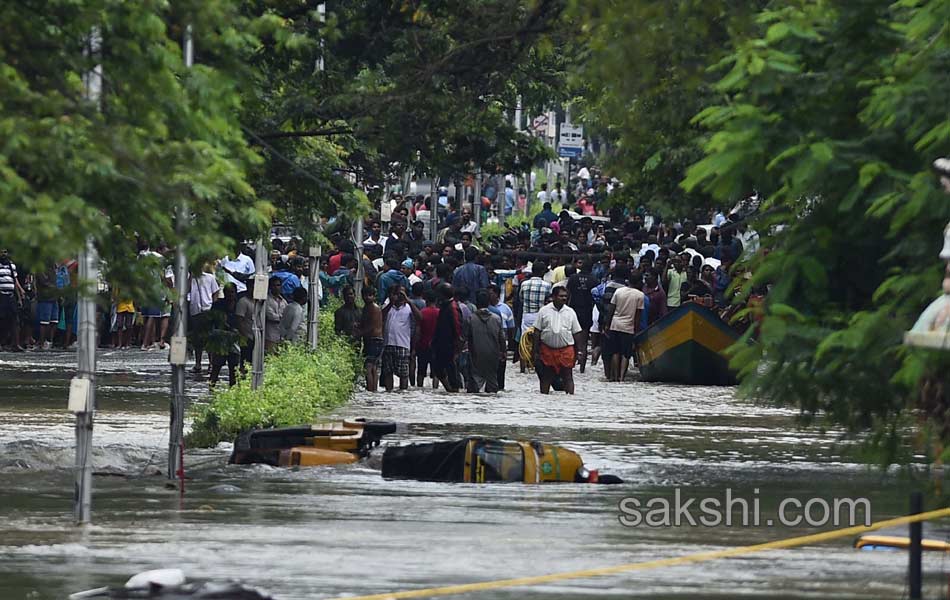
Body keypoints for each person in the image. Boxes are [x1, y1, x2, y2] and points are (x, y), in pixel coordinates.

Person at [532, 286, 581, 394]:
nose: (564, 298)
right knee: (546, 377)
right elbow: (537, 332)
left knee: (568, 376)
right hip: (547, 349)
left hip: (566, 350)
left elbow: (576, 333)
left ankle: (570, 399)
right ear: (553, 297)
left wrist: (579, 352)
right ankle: (544, 398)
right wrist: (535, 351)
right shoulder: (544, 311)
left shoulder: (570, 312)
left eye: (565, 296)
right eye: (561, 296)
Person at [605, 267, 645, 382]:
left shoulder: (619, 291)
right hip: (628, 327)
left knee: (615, 352)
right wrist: (636, 331)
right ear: (639, 282)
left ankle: (615, 376)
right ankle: (622, 378)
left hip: (615, 325)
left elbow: (611, 310)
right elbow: (638, 316)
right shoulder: (640, 295)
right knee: (626, 354)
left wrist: (607, 325)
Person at [381, 284, 421, 392]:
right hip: (388, 344)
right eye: (396, 294)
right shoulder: (387, 305)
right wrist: (391, 303)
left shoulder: (408, 308)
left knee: (403, 374)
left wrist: (408, 301)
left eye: (401, 294)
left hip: (402, 345)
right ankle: (389, 393)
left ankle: (403, 394)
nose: (399, 296)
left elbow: (420, 318)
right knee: (388, 372)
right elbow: (381, 316)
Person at [467, 289, 506, 393]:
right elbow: (502, 338)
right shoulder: (497, 318)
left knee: (475, 380)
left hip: (476, 354)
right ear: (489, 303)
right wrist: (503, 352)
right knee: (492, 381)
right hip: (493, 355)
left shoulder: (471, 318)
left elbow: (467, 338)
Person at [206, 284, 242, 388]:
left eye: (232, 292)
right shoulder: (218, 305)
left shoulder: (239, 305)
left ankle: (233, 387)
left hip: (235, 339)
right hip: (221, 339)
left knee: (233, 366)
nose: (230, 295)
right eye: (228, 292)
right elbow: (211, 320)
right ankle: (211, 386)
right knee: (216, 366)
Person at [566, 259, 597, 373]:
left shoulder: (573, 278)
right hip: (587, 312)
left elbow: (567, 295)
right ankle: (582, 369)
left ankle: (570, 364)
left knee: (571, 339)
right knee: (583, 342)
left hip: (573, 311)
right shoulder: (594, 280)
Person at [430, 283, 463, 392]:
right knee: (438, 368)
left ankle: (453, 389)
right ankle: (450, 389)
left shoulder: (452, 307)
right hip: (441, 343)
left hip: (449, 344)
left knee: (450, 368)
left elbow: (457, 326)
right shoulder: (445, 306)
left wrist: (457, 345)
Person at [486, 284, 514, 390]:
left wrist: (509, 347)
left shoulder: (505, 308)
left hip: (501, 342)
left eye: (491, 293)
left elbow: (511, 327)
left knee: (500, 372)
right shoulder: (483, 308)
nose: (489, 296)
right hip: (488, 342)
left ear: (497, 295)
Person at [360, 285, 383, 392]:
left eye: (370, 295)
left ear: (374, 296)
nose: (367, 297)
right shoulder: (367, 308)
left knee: (369, 367)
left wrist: (358, 333)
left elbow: (371, 327)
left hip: (374, 340)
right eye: (365, 295)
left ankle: (371, 391)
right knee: (373, 367)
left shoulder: (374, 308)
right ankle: (373, 391)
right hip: (372, 340)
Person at [414, 289, 440, 388]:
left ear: (426, 300)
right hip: (436, 346)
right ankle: (435, 390)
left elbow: (418, 331)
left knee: (421, 371)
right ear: (436, 300)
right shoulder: (440, 313)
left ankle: (419, 390)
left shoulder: (422, 313)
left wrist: (414, 345)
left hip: (423, 345)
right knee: (436, 372)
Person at [519, 261, 551, 335]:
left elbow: (521, 298)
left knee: (526, 338)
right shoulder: (547, 285)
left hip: (527, 314)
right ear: (543, 271)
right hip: (541, 315)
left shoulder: (524, 284)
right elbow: (549, 301)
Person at [264, 276, 287, 353]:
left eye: (278, 285)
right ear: (270, 287)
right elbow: (270, 316)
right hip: (270, 335)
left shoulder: (284, 301)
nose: (276, 287)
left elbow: (287, 315)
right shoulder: (266, 300)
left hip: (281, 336)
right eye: (274, 285)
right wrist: (282, 318)